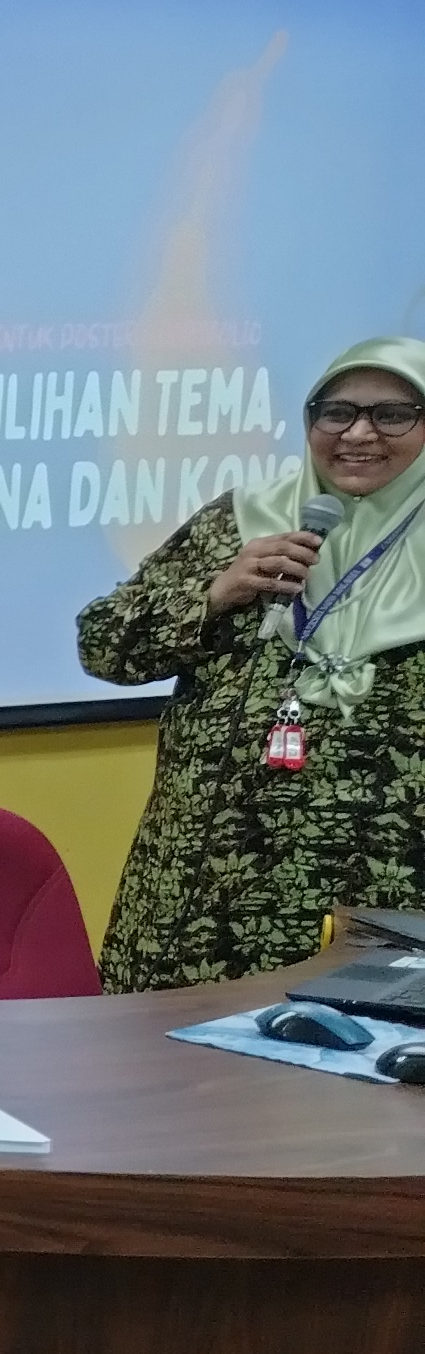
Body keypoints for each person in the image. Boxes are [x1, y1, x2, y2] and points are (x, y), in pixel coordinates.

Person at [80, 336, 425, 991]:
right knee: (170, 1054)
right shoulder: (242, 522)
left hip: (388, 891)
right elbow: (104, 645)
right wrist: (214, 594)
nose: (358, 434)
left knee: (359, 1052)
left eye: (391, 415)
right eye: (336, 412)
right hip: (207, 888)